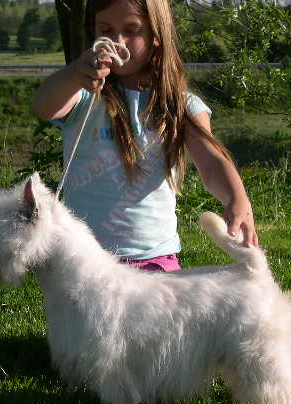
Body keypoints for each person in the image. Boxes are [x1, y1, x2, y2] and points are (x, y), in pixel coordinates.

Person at [31, 0, 258, 272]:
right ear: (93, 32)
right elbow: (43, 106)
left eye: (132, 30)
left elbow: (212, 163)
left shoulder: (182, 106)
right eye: (106, 30)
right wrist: (75, 73)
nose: (117, 41)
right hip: (82, 261)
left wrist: (236, 197)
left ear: (156, 36)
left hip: (154, 262)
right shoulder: (83, 97)